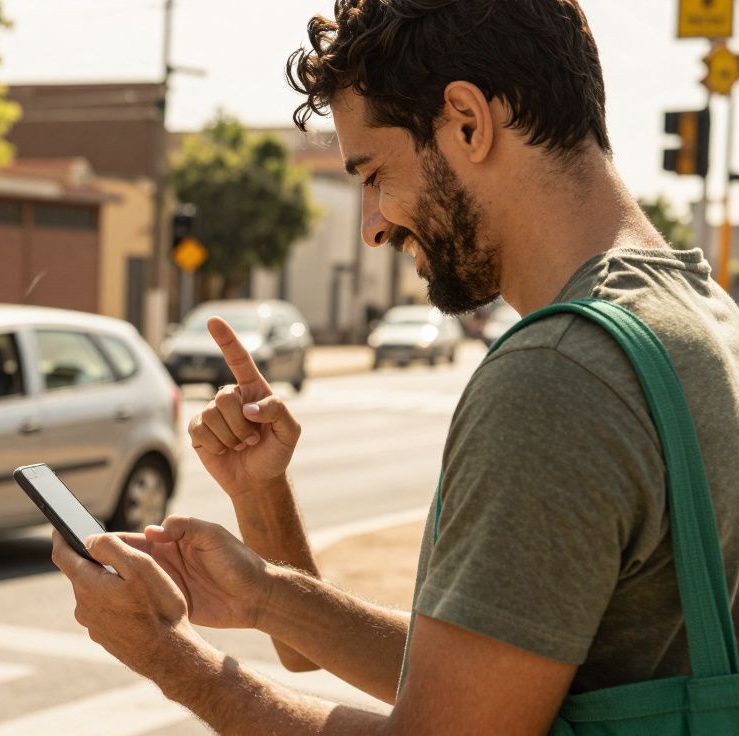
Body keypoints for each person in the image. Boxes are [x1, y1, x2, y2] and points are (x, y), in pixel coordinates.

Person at [50, 1, 739, 733]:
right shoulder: (702, 314)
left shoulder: (558, 376)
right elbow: (498, 676)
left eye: (375, 172)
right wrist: (265, 593)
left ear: (468, 122)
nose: (373, 223)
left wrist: (171, 659)